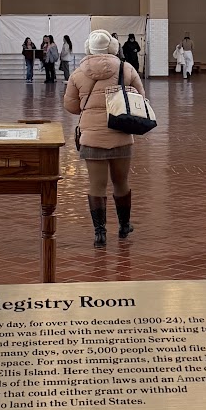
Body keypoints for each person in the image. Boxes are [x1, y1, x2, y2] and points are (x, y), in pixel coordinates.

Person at [64, 29, 146, 247]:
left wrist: (89, 107)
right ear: (112, 47)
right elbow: (140, 98)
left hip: (91, 137)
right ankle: (123, 226)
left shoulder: (78, 73)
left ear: (88, 48)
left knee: (96, 185)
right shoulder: (126, 68)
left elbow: (71, 106)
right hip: (121, 133)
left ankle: (100, 233)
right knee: (121, 182)